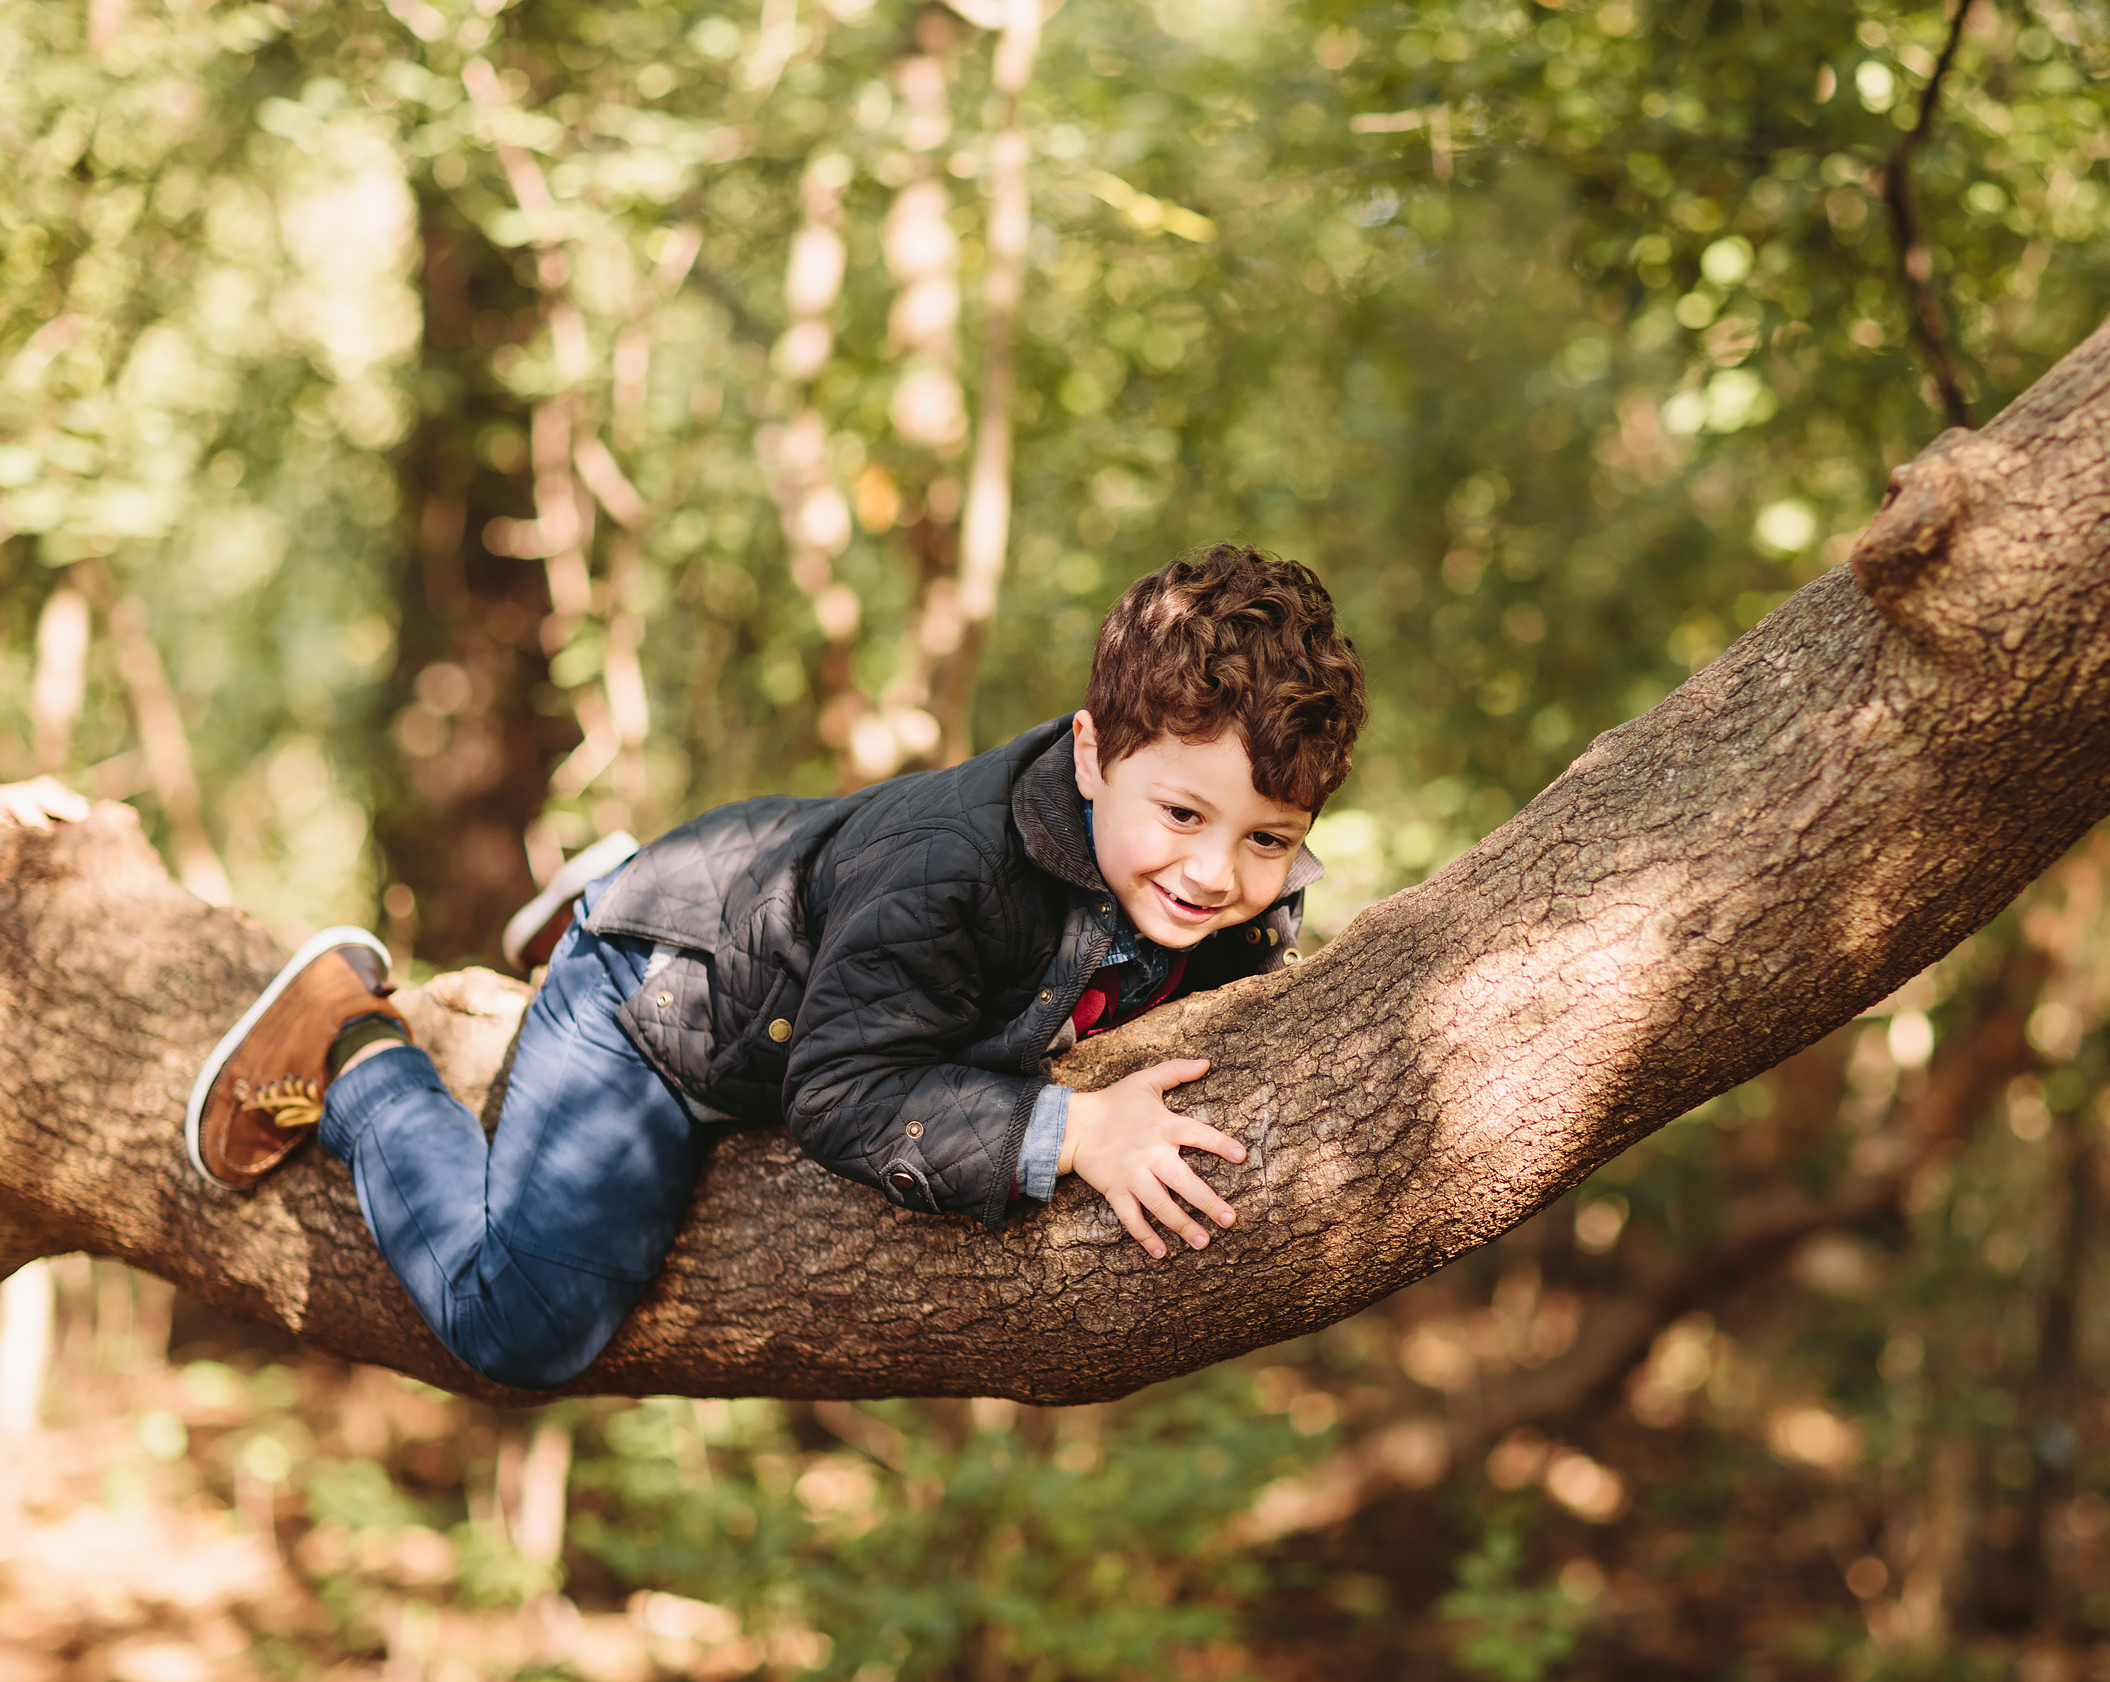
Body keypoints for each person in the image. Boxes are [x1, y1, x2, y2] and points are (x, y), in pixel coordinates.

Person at [183, 543, 1368, 1389]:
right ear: (1092, 752)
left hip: (783, 904)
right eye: (1183, 816)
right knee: (526, 1325)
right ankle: (357, 1048)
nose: (1217, 875)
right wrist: (1072, 1134)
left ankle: (614, 889)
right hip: (658, 1001)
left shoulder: (1212, 888)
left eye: (1267, 838)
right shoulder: (952, 873)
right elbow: (841, 1093)